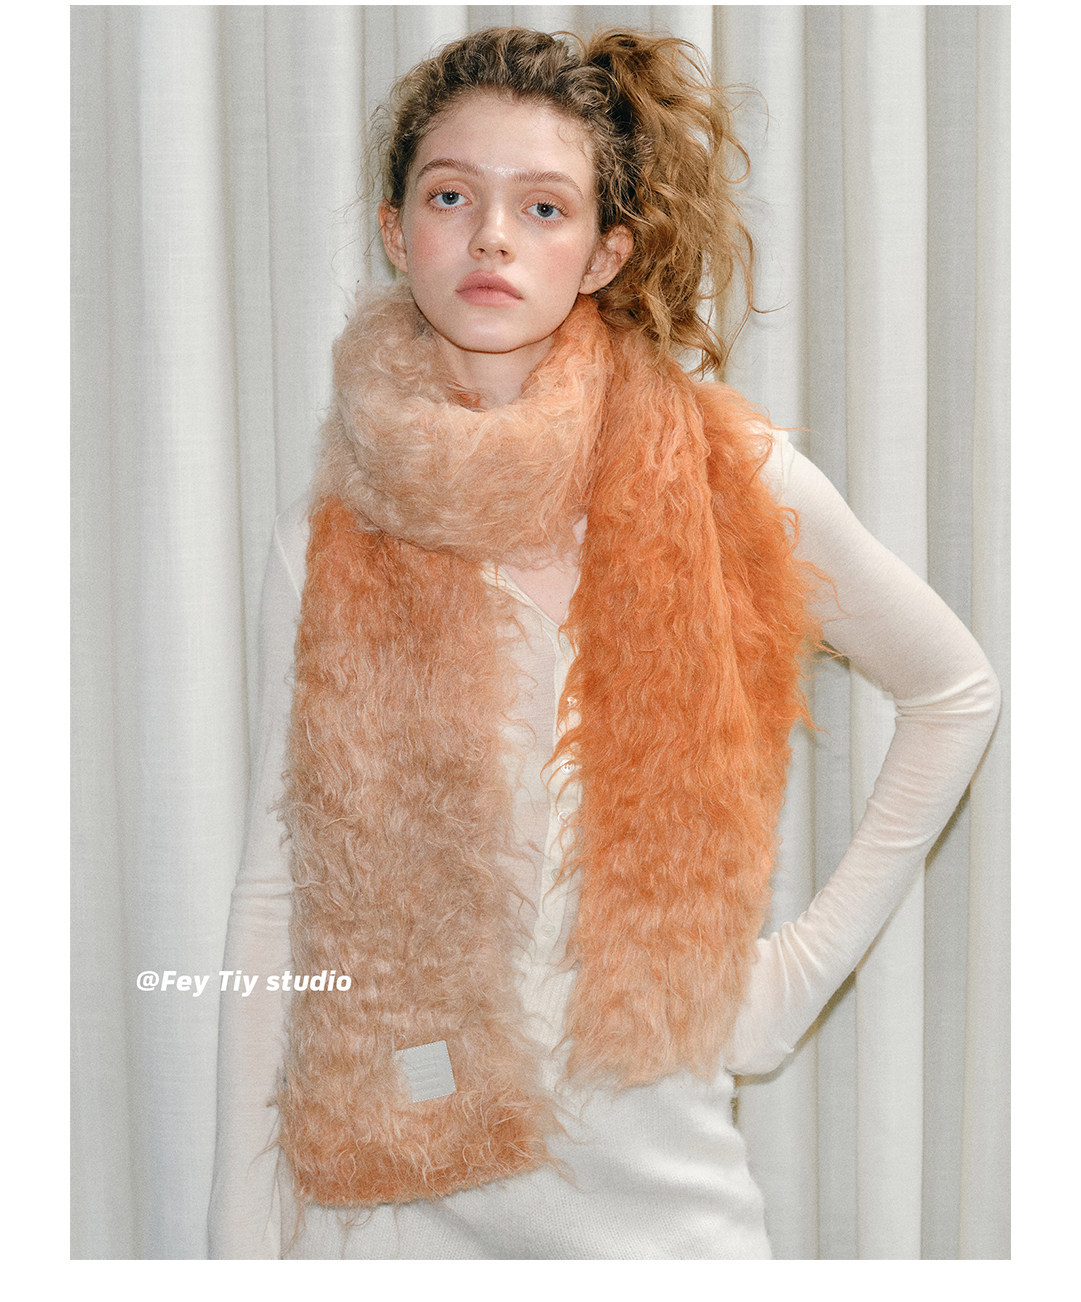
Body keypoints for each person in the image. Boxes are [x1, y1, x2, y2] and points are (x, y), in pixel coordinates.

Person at [208, 27, 1000, 1259]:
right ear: (394, 230)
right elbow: (277, 889)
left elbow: (953, 692)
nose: (491, 238)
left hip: (669, 1218)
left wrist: (785, 983)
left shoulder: (730, 481)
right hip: (393, 1207)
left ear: (603, 252)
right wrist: (235, 1249)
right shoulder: (327, 541)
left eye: (543, 206)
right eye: (451, 196)